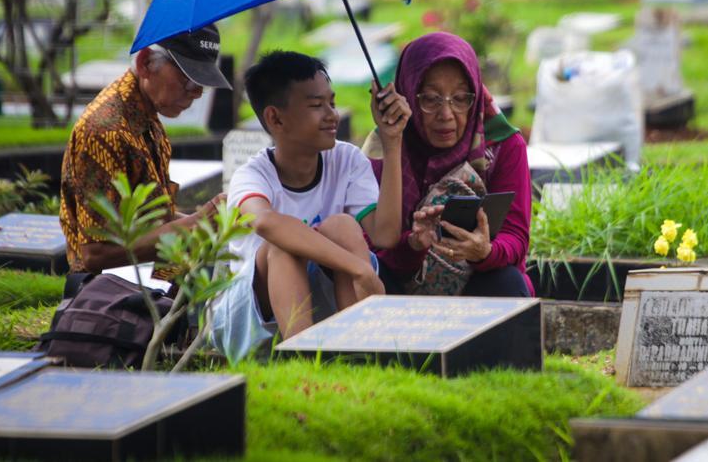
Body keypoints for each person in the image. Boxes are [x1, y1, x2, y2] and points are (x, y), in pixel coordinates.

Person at [211, 50, 410, 358]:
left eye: (331, 102)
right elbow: (265, 223)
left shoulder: (346, 159)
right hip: (251, 321)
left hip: (321, 299)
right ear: (275, 118)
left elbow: (384, 235)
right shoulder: (251, 176)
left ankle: (363, 355)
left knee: (342, 226)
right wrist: (359, 268)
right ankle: (303, 371)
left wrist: (392, 140)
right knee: (282, 246)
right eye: (317, 105)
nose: (332, 114)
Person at [366, 32, 533, 297]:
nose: (446, 115)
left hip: (477, 284)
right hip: (403, 294)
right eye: (430, 99)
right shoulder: (385, 148)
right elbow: (371, 249)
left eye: (460, 98)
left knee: (508, 283)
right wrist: (413, 244)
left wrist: (484, 251)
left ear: (475, 96)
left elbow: (515, 237)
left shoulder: (503, 145)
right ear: (409, 93)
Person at [60, 24, 231, 274]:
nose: (196, 94)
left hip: (150, 277)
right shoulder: (105, 131)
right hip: (107, 294)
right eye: (187, 79)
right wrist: (196, 224)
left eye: (201, 83)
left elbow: (154, 219)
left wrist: (214, 226)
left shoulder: (148, 115)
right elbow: (95, 255)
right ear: (146, 63)